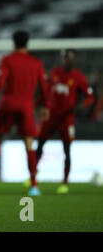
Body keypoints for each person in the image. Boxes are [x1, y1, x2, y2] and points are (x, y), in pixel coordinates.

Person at [0, 31, 49, 196]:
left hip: (8, 104)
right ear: (27, 43)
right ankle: (33, 185)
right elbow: (44, 88)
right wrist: (45, 106)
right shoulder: (36, 63)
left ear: (13, 43)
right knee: (29, 145)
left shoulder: (7, 60)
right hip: (26, 106)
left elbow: (0, 83)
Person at [35, 49, 94, 194]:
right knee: (40, 144)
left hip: (67, 118)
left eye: (69, 58)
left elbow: (90, 97)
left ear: (74, 60)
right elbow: (46, 92)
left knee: (67, 149)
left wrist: (83, 105)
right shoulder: (55, 72)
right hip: (51, 116)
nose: (66, 60)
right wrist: (37, 104)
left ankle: (65, 182)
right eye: (64, 58)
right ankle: (32, 176)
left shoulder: (78, 77)